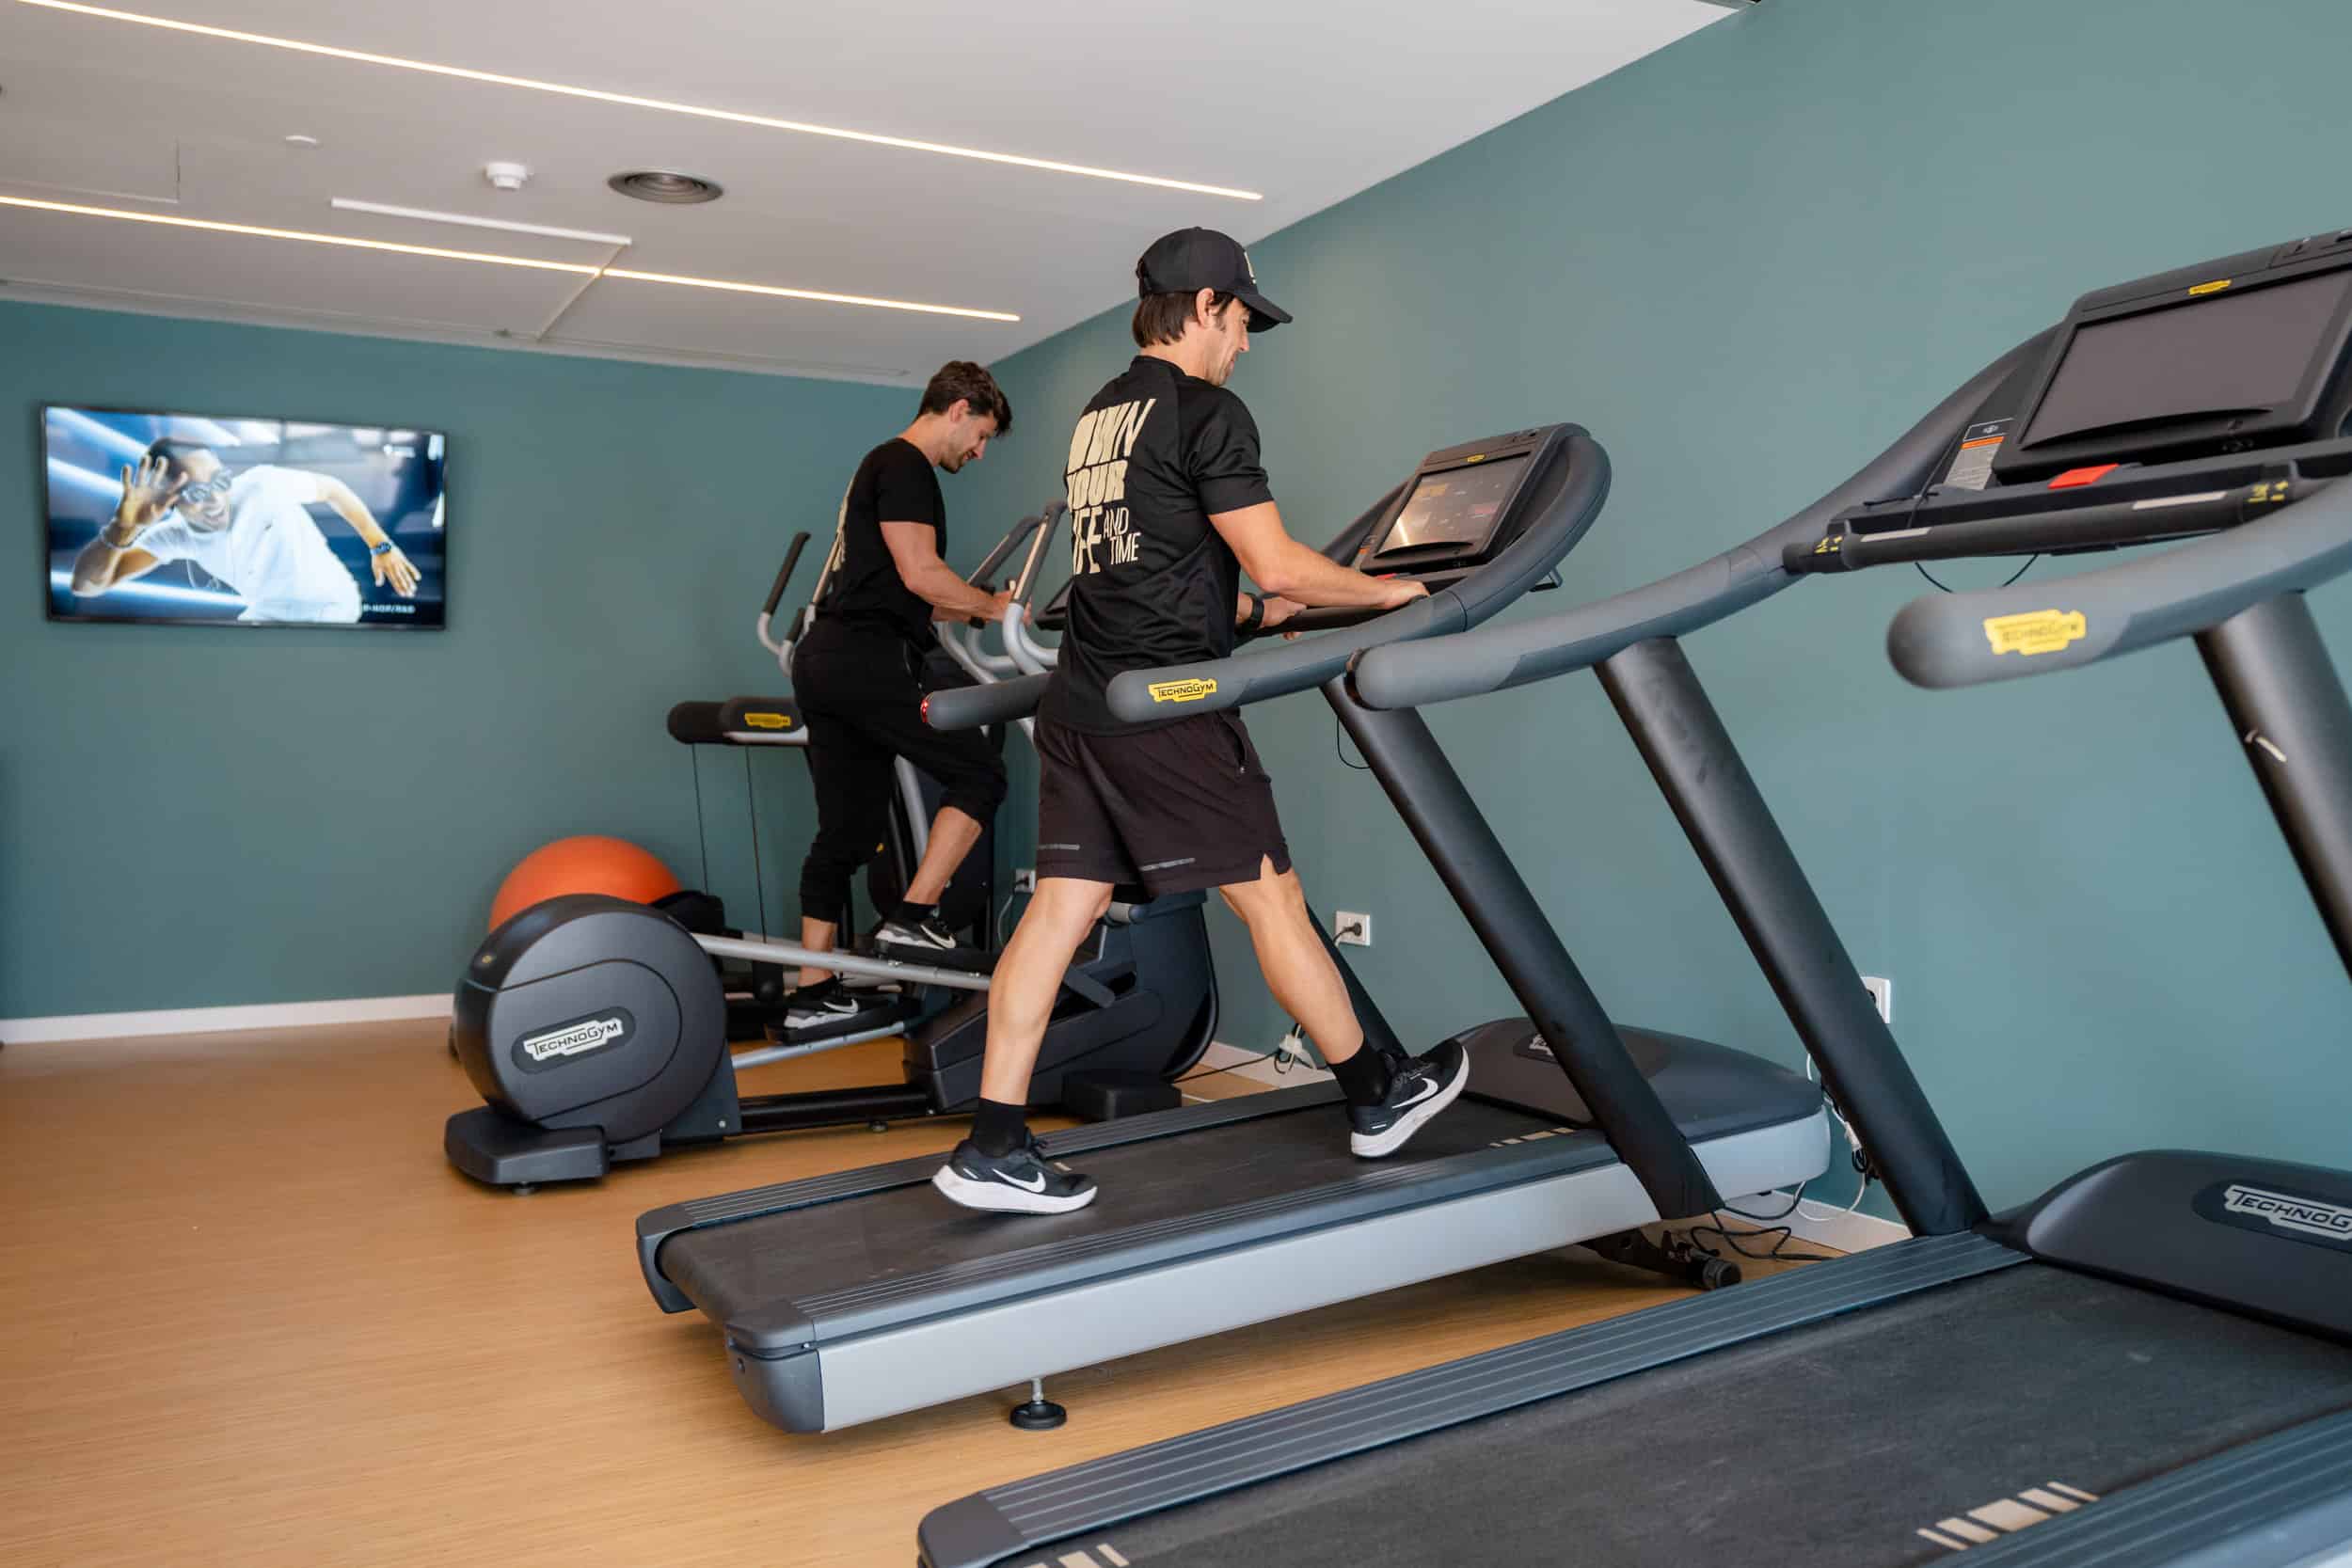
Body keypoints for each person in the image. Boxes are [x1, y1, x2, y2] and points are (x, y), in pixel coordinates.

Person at [932, 229, 1468, 1213]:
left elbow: (1154, 561)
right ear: (1207, 305)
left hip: (1084, 702)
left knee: (1059, 913)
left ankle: (995, 1141)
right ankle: (1376, 1092)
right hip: (1167, 706)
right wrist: (1385, 593)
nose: (1246, 344)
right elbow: (1275, 559)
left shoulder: (1101, 414)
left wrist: (1255, 613)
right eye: (1242, 321)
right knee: (1271, 896)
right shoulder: (1208, 410)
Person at [785, 361, 1017, 1031]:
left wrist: (977, 606)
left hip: (827, 658)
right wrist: (992, 609)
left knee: (846, 832)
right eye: (982, 435)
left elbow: (907, 591)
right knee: (980, 773)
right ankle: (914, 916)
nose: (979, 451)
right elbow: (921, 574)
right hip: (865, 659)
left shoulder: (880, 466)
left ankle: (810, 993)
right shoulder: (907, 464)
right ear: (959, 408)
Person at [72, 439, 419, 623]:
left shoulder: (262, 484)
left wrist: (381, 545)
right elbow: (86, 587)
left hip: (333, 607)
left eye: (220, 481)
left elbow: (333, 488)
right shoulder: (176, 535)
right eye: (196, 493)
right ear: (168, 502)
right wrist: (123, 528)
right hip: (267, 615)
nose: (215, 499)